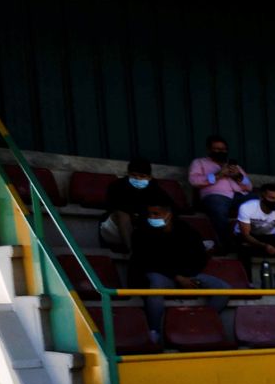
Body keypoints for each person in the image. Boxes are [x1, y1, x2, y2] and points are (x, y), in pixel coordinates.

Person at [128, 193, 231, 343]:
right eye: (150, 213)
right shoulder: (141, 231)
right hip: (160, 275)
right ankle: (154, 332)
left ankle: (201, 324)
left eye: (156, 214)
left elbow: (198, 256)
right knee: (155, 284)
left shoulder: (185, 230)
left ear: (168, 214)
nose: (152, 216)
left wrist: (187, 276)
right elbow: (147, 261)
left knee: (223, 289)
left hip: (188, 275)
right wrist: (177, 277)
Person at [188, 134, 253, 251]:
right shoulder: (199, 162)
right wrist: (219, 175)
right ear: (209, 150)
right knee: (218, 209)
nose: (221, 152)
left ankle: (255, 241)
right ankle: (225, 243)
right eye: (217, 149)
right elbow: (194, 181)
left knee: (255, 202)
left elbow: (249, 186)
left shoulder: (234, 166)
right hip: (215, 195)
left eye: (223, 150)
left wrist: (238, 176)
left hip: (238, 195)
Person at [99, 157, 161, 253]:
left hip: (143, 228)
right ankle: (132, 252)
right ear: (128, 174)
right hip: (115, 229)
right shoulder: (117, 185)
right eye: (134, 175)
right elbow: (113, 208)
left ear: (149, 177)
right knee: (122, 214)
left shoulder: (155, 189)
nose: (137, 179)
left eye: (142, 176)